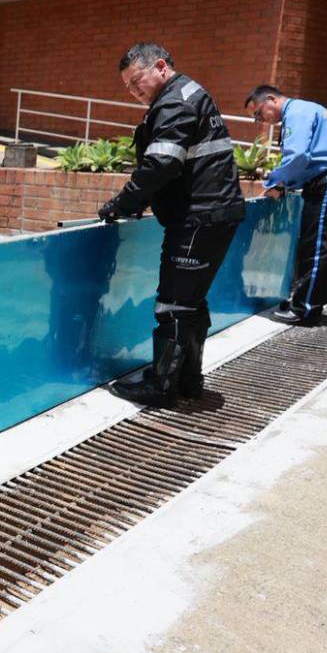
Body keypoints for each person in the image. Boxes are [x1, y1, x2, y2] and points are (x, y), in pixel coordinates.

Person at [98, 43, 246, 405]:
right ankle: (187, 382)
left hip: (199, 216)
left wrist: (122, 203)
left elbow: (161, 164)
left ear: (161, 66)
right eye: (128, 87)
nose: (134, 91)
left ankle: (162, 386)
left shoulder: (175, 102)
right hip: (210, 214)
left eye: (137, 81)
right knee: (191, 303)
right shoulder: (187, 94)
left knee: (175, 305)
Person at [244, 85, 327, 325]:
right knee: (321, 248)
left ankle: (304, 309)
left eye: (258, 113)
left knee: (317, 249)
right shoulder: (308, 109)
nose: (261, 120)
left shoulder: (296, 113)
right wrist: (286, 184)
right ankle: (308, 304)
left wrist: (276, 180)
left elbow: (298, 156)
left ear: (271, 99)